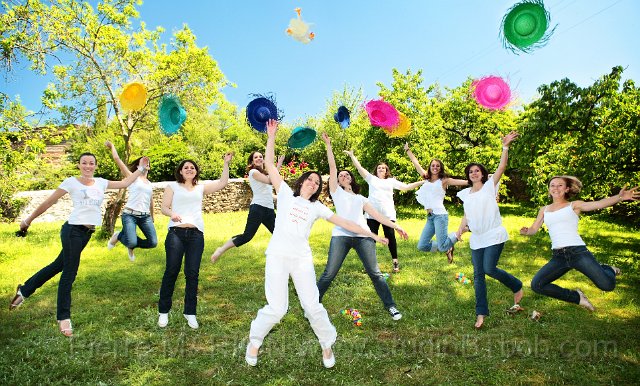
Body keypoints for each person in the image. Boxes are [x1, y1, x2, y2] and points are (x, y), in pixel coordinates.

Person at [245, 120, 388, 369]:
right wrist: (271, 136)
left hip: (301, 259)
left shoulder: (318, 207)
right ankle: (255, 340)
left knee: (312, 305)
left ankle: (326, 344)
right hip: (277, 256)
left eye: (316, 182)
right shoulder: (287, 194)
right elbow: (269, 165)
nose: (313, 182)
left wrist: (372, 235)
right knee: (277, 308)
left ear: (318, 189)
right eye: (309, 179)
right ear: (301, 182)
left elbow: (346, 222)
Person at [9, 153, 150, 336]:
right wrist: (28, 220)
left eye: (91, 163)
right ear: (79, 165)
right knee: (70, 271)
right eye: (84, 163)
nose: (88, 166)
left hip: (86, 234)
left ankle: (24, 290)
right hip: (72, 231)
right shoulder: (71, 182)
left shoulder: (100, 182)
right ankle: (63, 317)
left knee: (58, 265)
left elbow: (125, 183)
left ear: (95, 166)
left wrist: (140, 169)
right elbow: (48, 202)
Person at [317, 133, 408, 320]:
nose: (343, 176)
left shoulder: (361, 199)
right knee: (329, 273)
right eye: (341, 175)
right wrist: (328, 144)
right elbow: (332, 168)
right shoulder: (336, 192)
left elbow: (378, 216)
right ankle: (312, 303)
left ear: (351, 179)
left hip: (363, 236)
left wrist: (396, 227)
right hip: (341, 236)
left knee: (375, 273)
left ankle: (391, 307)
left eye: (346, 174)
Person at [520, 176, 638, 311]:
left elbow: (598, 204)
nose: (556, 188)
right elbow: (534, 229)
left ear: (566, 189)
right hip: (559, 256)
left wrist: (619, 197)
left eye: (560, 185)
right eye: (552, 185)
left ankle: (608, 269)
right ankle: (577, 297)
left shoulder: (573, 205)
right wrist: (527, 231)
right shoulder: (544, 209)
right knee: (537, 285)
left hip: (578, 253)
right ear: (549, 189)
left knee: (607, 285)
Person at [455, 131, 523, 329]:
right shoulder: (466, 193)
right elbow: (466, 215)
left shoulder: (489, 185)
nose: (474, 173)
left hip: (493, 235)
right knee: (478, 276)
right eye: (471, 172)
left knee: (489, 269)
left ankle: (516, 285)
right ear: (468, 176)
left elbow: (502, 166)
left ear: (483, 174)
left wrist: (505, 146)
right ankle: (481, 313)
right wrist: (459, 232)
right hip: (477, 238)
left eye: (477, 171)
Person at [158, 153, 233, 330]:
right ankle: (163, 311)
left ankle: (190, 312)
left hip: (196, 235)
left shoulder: (201, 187)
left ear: (196, 171)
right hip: (176, 233)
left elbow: (222, 183)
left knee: (192, 273)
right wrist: (172, 214)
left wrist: (226, 163)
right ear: (181, 171)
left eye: (192, 167)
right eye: (186, 167)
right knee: (172, 271)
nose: (189, 169)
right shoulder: (173, 186)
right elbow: (163, 208)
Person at [345, 151, 424, 273]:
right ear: (376, 170)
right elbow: (360, 168)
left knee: (390, 237)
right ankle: (370, 265)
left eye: (383, 168)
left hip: (388, 215)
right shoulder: (372, 179)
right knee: (371, 239)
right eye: (379, 168)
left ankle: (395, 263)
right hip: (372, 215)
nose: (381, 169)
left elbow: (407, 187)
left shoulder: (391, 181)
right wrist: (352, 156)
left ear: (387, 171)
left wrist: (422, 182)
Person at [209, 152, 283, 263]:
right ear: (252, 161)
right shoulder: (253, 172)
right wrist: (278, 165)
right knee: (247, 236)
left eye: (260, 157)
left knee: (280, 234)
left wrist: (279, 198)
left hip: (269, 210)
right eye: (255, 157)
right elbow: (270, 181)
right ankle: (221, 249)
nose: (258, 158)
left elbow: (268, 192)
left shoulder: (264, 174)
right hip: (257, 209)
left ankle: (282, 260)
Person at [404, 142, 469, 263]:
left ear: (441, 168)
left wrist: (484, 177)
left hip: (440, 216)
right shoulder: (426, 178)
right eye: (433, 165)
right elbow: (415, 163)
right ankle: (446, 246)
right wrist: (408, 150)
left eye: (437, 166)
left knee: (442, 246)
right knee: (422, 246)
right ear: (430, 167)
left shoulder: (444, 180)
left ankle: (460, 232)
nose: (435, 167)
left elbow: (464, 182)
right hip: (430, 217)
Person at [105, 141, 158, 261]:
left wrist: (152, 216)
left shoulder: (149, 184)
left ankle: (127, 240)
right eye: (142, 162)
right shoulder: (132, 177)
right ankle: (121, 237)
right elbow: (117, 159)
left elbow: (151, 201)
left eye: (147, 162)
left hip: (145, 217)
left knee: (153, 242)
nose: (145, 163)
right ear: (138, 166)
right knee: (132, 241)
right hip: (130, 215)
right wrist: (112, 146)